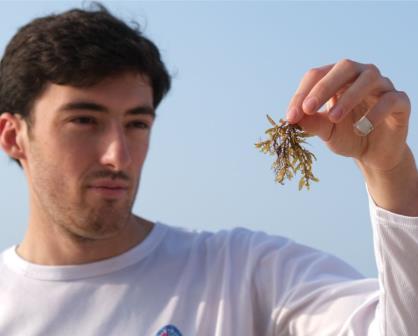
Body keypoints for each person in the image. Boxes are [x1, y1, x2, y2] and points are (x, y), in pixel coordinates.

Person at [0, 4, 417, 336]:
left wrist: (391, 169)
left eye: (137, 124)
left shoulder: (241, 273)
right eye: (84, 121)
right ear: (13, 136)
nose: (119, 156)